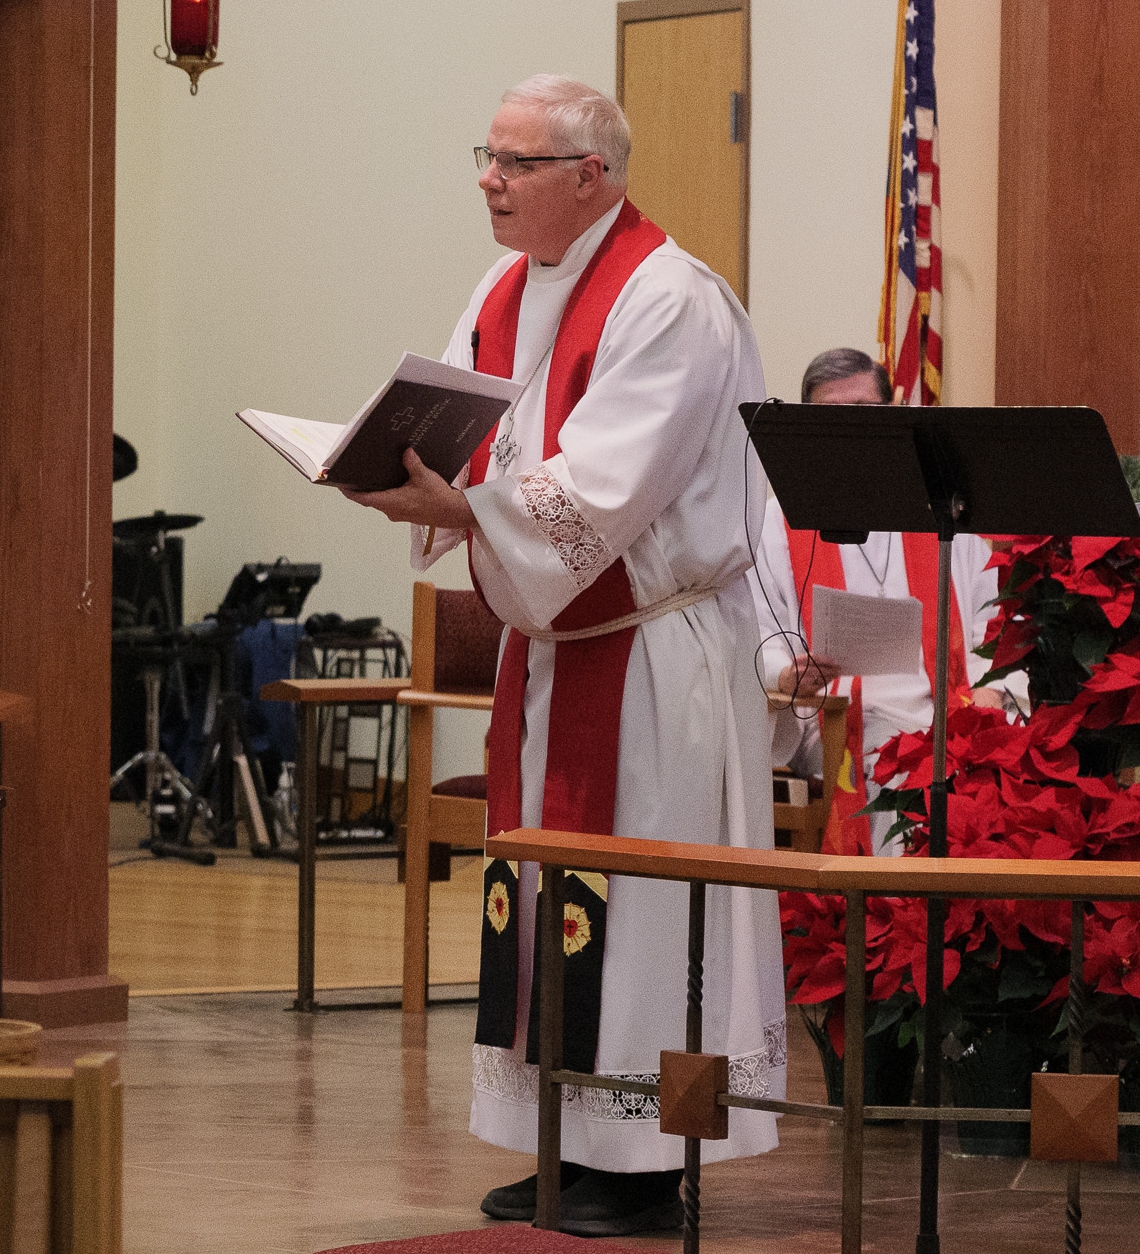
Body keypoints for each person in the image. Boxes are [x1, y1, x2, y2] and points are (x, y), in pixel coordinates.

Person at [345, 75, 784, 1237]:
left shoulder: (669, 299)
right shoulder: (500, 290)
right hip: (549, 652)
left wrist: (464, 506)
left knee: (641, 916)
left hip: (650, 657)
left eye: (515, 162)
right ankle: (566, 1144)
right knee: (541, 901)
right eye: (484, 157)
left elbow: (606, 486)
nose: (488, 181)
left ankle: (643, 1161)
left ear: (590, 176)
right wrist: (390, 464)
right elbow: (457, 424)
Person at [751, 347, 1024, 855]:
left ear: (891, 416)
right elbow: (758, 628)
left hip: (951, 706)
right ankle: (895, 901)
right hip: (836, 715)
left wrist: (992, 689)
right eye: (830, 417)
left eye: (863, 412)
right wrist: (787, 674)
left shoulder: (940, 514)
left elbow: (996, 623)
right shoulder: (777, 524)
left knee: (1010, 759)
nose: (849, 431)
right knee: (894, 755)